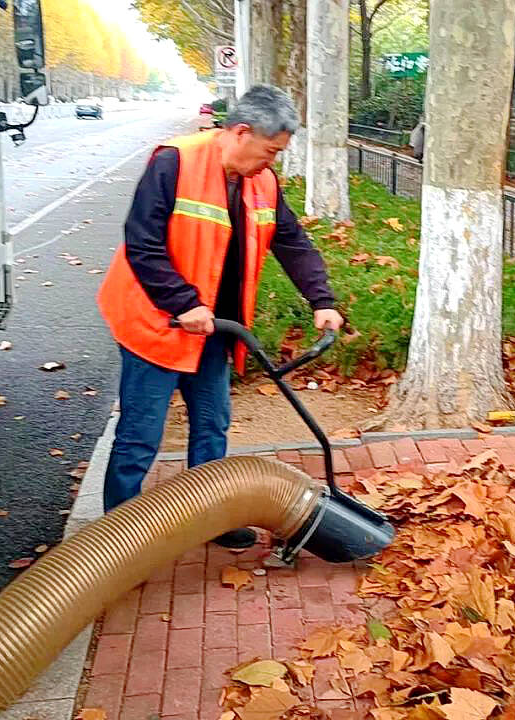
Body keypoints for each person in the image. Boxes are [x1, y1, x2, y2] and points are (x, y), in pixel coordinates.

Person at [96, 85, 344, 548]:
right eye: (270, 151)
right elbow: (141, 243)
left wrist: (322, 299)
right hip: (157, 323)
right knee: (139, 436)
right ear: (242, 131)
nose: (272, 162)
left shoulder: (263, 181)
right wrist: (183, 302)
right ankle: (118, 543)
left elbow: (291, 241)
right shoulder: (175, 161)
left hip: (216, 329)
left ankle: (209, 519)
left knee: (212, 425)